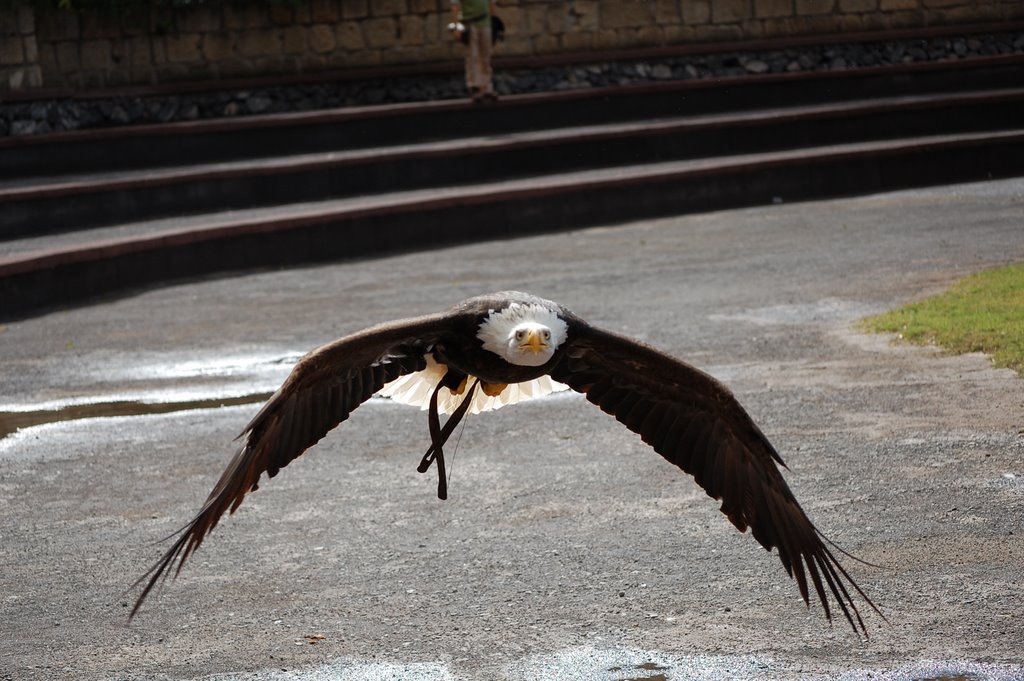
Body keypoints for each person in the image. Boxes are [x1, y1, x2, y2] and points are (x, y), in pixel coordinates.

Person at [449, 0, 499, 102]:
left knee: (486, 56)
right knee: (473, 56)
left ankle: (486, 87)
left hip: (485, 22)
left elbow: (492, 4)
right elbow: (455, 7)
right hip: (470, 23)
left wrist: (496, 24)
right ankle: (474, 86)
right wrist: (456, 27)